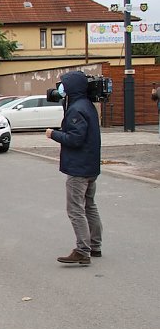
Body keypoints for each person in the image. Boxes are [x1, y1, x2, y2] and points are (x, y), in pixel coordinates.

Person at [46, 71, 103, 265]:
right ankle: (95, 245)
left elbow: (75, 139)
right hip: (90, 165)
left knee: (75, 209)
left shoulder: (77, 109)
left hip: (79, 167)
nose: (60, 87)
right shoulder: (87, 105)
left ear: (72, 87)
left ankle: (82, 250)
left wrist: (53, 134)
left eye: (64, 84)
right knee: (89, 206)